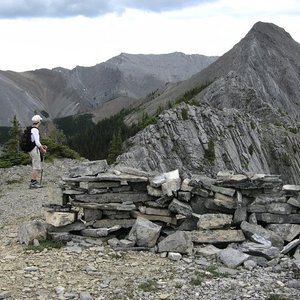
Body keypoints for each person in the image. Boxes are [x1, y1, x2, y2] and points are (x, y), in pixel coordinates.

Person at [29, 115, 47, 189]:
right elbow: (37, 142)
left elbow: (34, 141)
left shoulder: (31, 129)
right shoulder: (35, 130)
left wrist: (41, 146)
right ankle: (33, 183)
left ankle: (34, 181)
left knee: (35, 164)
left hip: (31, 149)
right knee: (36, 166)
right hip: (34, 149)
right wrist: (42, 150)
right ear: (39, 122)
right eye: (40, 121)